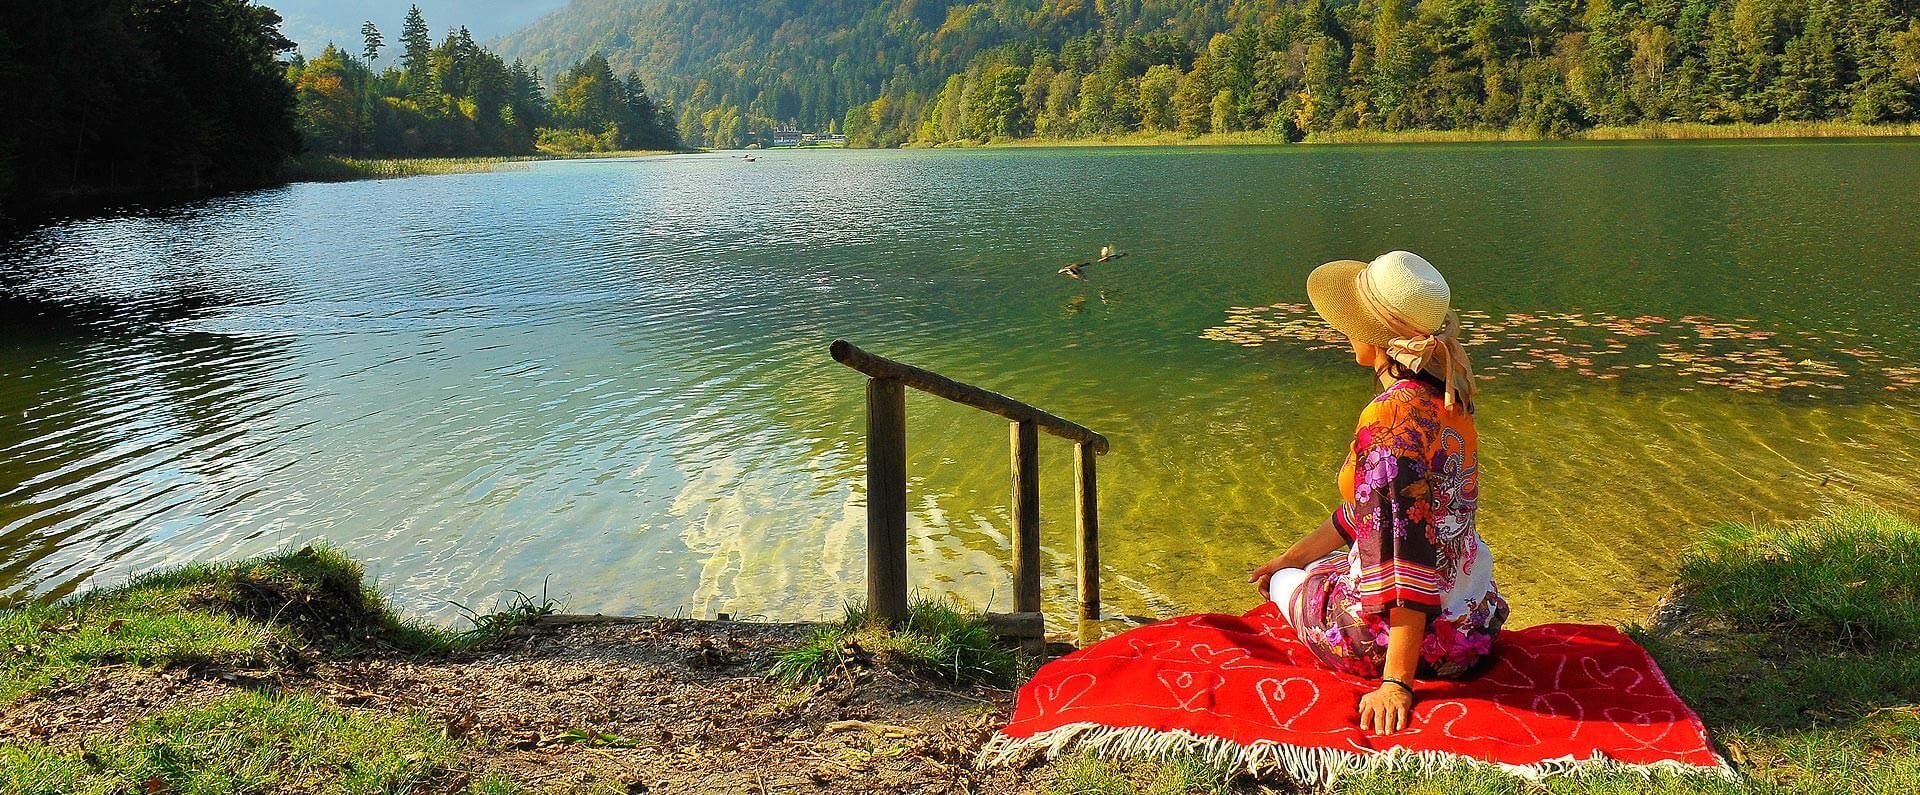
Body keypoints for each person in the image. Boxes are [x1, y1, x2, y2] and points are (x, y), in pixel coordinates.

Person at [1248, 251, 1509, 738]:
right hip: (1472, 628)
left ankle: (1391, 663)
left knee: (1289, 585)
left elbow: (1402, 552)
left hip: (1413, 647)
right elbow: (1376, 513)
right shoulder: (1451, 397)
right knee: (1308, 566)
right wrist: (1292, 555)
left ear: (1377, 340)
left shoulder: (1388, 420)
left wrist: (1396, 684)